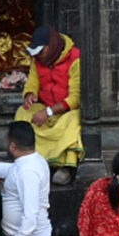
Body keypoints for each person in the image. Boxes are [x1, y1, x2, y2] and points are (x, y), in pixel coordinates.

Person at [19, 27, 84, 174]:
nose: (39, 56)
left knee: (75, 120)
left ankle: (64, 167)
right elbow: (32, 82)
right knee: (23, 113)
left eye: (41, 51)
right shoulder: (37, 60)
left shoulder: (75, 58)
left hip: (66, 112)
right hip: (45, 109)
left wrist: (48, 112)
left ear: (52, 45)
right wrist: (29, 94)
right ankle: (31, 161)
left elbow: (75, 98)